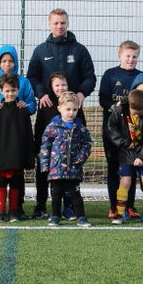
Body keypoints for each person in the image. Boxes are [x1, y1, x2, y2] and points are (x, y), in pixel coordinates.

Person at [98, 40, 143, 220]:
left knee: (132, 167)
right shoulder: (110, 74)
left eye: (134, 57)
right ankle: (114, 205)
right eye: (127, 56)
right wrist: (117, 107)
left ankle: (129, 206)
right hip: (114, 133)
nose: (131, 60)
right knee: (114, 168)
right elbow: (103, 99)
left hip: (135, 134)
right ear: (119, 55)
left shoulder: (140, 77)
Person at [0, 44, 36, 220]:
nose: (8, 64)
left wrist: (27, 106)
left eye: (11, 60)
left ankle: (16, 208)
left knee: (16, 176)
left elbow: (32, 105)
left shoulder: (24, 82)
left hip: (17, 135)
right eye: (4, 60)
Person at [104, 83, 143, 226]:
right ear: (129, 105)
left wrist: (142, 157)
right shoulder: (119, 111)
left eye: (141, 113)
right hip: (126, 152)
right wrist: (124, 143)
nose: (138, 115)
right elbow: (111, 129)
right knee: (125, 182)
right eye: (135, 112)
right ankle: (119, 214)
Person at [39, 92, 93, 227]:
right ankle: (55, 216)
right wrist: (45, 165)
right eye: (68, 109)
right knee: (56, 194)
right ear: (59, 108)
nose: (71, 113)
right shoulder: (52, 127)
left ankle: (81, 217)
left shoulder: (80, 127)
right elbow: (45, 145)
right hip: (56, 168)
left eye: (74, 110)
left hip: (73, 168)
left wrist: (80, 158)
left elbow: (87, 144)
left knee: (75, 194)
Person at [27, 8, 96, 113]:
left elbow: (90, 77)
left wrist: (81, 93)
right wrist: (41, 94)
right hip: (48, 106)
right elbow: (32, 77)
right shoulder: (40, 51)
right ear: (49, 24)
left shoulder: (80, 50)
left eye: (63, 23)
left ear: (67, 23)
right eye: (56, 23)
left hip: (73, 107)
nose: (59, 26)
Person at [31, 72, 75, 219]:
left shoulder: (73, 102)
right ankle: (40, 205)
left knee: (68, 179)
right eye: (57, 85)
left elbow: (81, 125)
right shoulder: (45, 102)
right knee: (42, 175)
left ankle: (68, 207)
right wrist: (38, 149)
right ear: (51, 86)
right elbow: (39, 127)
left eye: (63, 85)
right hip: (48, 150)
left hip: (67, 151)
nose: (60, 88)